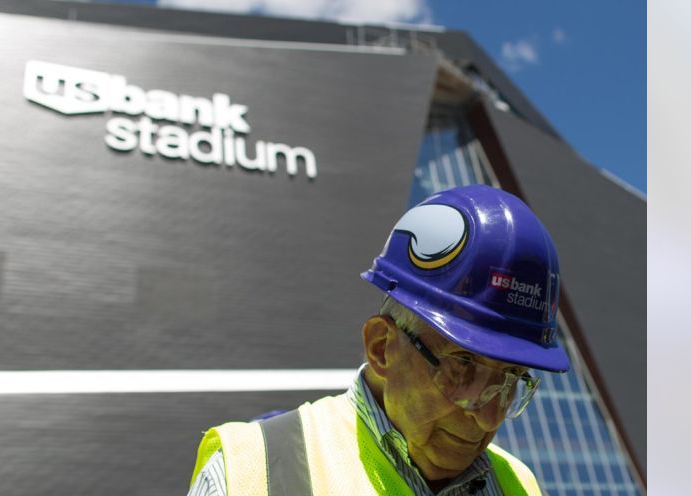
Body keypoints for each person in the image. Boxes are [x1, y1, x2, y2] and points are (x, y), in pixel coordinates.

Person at [186, 184, 570, 496]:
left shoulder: (520, 485)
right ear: (381, 346)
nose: (488, 415)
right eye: (462, 367)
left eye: (511, 380)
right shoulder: (250, 473)